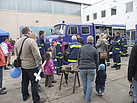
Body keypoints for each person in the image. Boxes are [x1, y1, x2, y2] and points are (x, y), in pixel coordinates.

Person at [15, 27, 46, 103]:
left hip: (23, 66)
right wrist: (40, 64)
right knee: (34, 82)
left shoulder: (17, 42)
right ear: (28, 32)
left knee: (24, 81)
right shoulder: (31, 41)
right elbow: (37, 55)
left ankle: (25, 96)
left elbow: (16, 54)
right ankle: (36, 99)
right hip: (32, 66)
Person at [78, 36, 99, 103]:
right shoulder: (94, 49)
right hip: (91, 68)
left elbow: (78, 58)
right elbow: (97, 60)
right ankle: (88, 99)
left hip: (82, 68)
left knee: (84, 82)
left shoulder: (81, 48)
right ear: (92, 41)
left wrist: (79, 66)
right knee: (90, 84)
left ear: (87, 41)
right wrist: (96, 68)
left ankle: (85, 93)